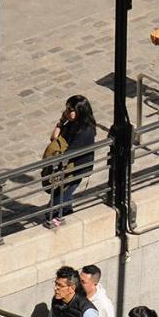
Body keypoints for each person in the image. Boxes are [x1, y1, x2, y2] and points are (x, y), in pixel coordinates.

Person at [46, 96, 97, 228]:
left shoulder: (86, 131)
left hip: (76, 169)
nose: (67, 112)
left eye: (71, 110)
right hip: (67, 168)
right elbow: (54, 138)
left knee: (56, 203)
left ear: (80, 111)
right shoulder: (72, 124)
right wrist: (61, 122)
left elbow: (70, 153)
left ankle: (56, 220)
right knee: (64, 198)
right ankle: (68, 220)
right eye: (66, 109)